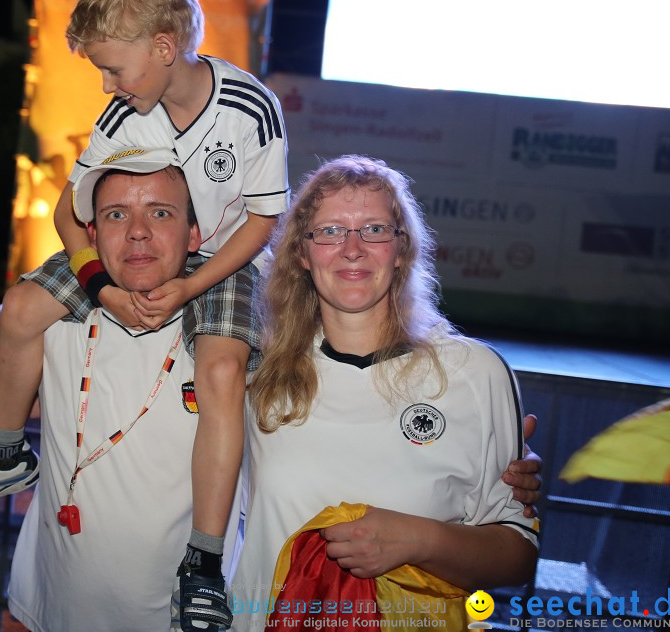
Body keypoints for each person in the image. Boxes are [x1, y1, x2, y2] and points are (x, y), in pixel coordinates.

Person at [0, 0, 290, 630]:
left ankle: (204, 562)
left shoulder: (251, 108)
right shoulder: (126, 114)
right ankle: (5, 451)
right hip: (116, 250)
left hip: (221, 257)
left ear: (164, 47)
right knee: (20, 308)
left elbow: (264, 222)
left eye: (112, 68)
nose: (104, 85)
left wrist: (190, 286)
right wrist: (97, 282)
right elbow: (71, 212)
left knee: (219, 371)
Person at [0, 147, 242, 631]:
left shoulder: (236, 345)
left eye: (160, 213)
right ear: (91, 237)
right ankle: (3, 454)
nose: (138, 230)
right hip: (50, 612)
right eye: (117, 214)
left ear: (195, 234)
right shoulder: (49, 321)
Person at [229, 156, 540, 631]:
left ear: (402, 250)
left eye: (374, 229)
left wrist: (420, 539)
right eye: (330, 231)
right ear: (301, 254)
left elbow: (517, 557)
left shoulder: (475, 374)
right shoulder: (258, 374)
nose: (352, 249)